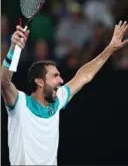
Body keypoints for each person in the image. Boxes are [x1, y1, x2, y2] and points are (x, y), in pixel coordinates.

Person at [1, 21, 128, 165]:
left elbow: (84, 76)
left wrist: (110, 48)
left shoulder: (57, 100)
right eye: (55, 76)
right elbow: (4, 83)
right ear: (40, 82)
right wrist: (14, 49)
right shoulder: (20, 103)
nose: (61, 80)